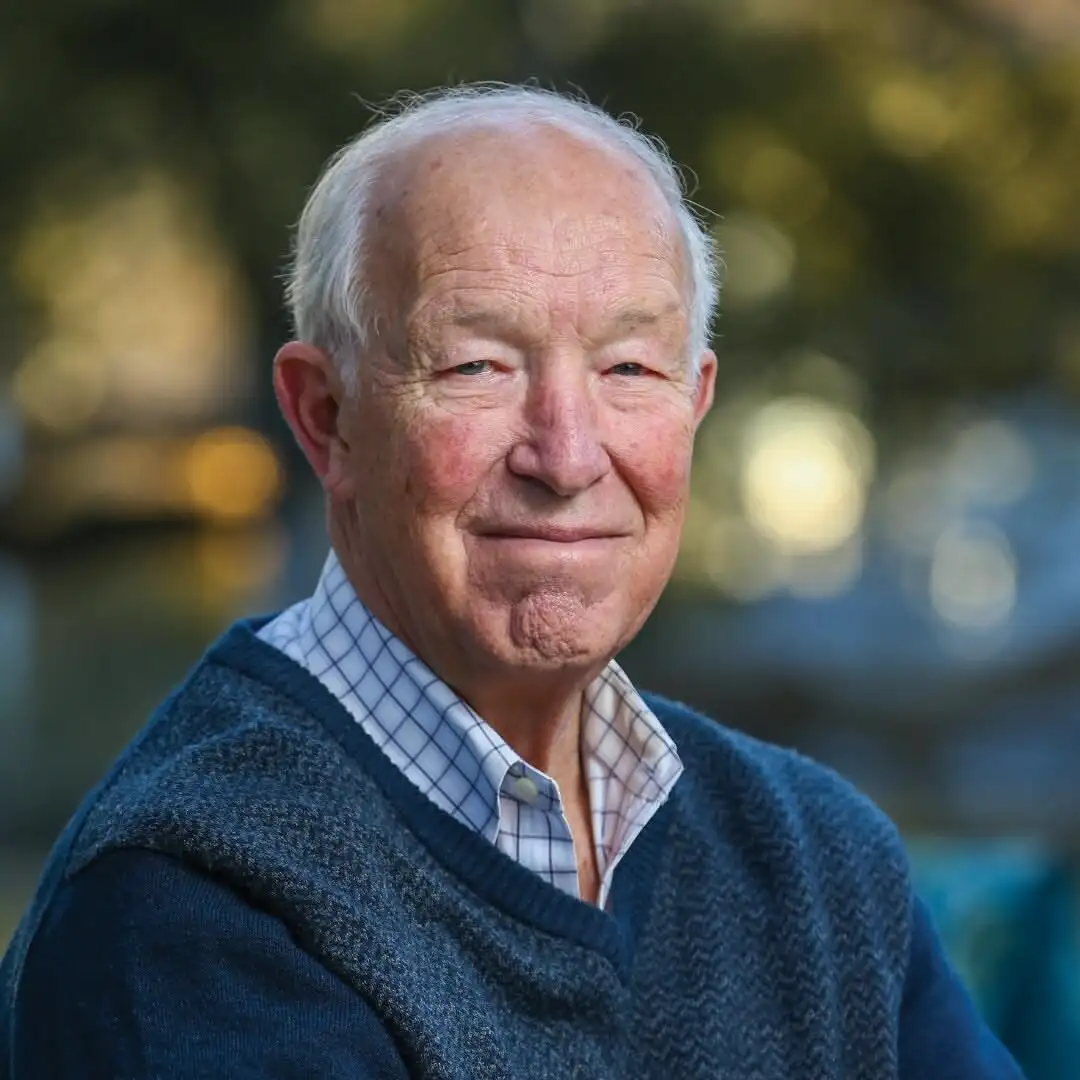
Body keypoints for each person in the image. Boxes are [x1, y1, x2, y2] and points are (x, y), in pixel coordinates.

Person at [0, 84, 1024, 1080]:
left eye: (629, 369)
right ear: (326, 417)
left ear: (695, 402)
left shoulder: (817, 857)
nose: (568, 455)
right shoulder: (188, 905)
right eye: (477, 367)